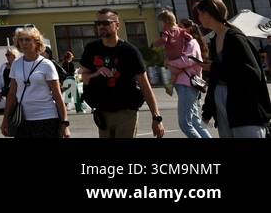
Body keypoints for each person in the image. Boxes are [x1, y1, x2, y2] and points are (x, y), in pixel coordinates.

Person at [79, 8, 165, 138]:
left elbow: (145, 86)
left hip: (126, 111)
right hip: (102, 111)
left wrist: (156, 117)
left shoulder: (129, 51)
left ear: (117, 25)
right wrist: (96, 74)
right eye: (98, 23)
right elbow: (84, 77)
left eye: (106, 23)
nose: (101, 26)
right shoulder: (92, 48)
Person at [193, 0, 270, 138]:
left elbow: (252, 74)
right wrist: (208, 111)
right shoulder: (215, 39)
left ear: (208, 14)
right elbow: (215, 79)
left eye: (199, 13)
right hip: (224, 106)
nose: (198, 18)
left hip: (244, 108)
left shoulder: (235, 38)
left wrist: (215, 68)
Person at [0, 27, 69, 139]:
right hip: (22, 119)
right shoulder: (16, 64)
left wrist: (65, 123)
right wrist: (5, 120)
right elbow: (11, 95)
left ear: (36, 42)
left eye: (27, 40)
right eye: (21, 40)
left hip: (47, 118)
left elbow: (57, 95)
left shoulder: (47, 64)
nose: (23, 43)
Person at [169, 18, 212, 139]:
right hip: (186, 85)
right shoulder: (184, 44)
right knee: (194, 122)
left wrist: (170, 62)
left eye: (181, 26)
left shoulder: (191, 43)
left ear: (189, 29)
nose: (177, 29)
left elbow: (187, 60)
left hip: (188, 85)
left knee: (185, 124)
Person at [153, 9, 193, 96]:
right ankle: (170, 85)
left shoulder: (166, 30)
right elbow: (189, 37)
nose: (163, 24)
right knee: (177, 71)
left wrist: (155, 44)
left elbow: (164, 40)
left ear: (166, 21)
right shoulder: (180, 30)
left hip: (172, 56)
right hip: (181, 55)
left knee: (174, 70)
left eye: (163, 22)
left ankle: (170, 85)